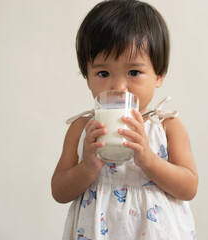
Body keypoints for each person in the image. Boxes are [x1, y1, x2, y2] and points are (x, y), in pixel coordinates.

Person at [51, 0, 198, 239]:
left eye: (133, 72)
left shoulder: (166, 126)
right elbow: (59, 191)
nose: (119, 87)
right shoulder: (82, 129)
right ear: (87, 77)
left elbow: (189, 187)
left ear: (158, 75)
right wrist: (87, 166)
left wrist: (149, 160)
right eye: (103, 73)